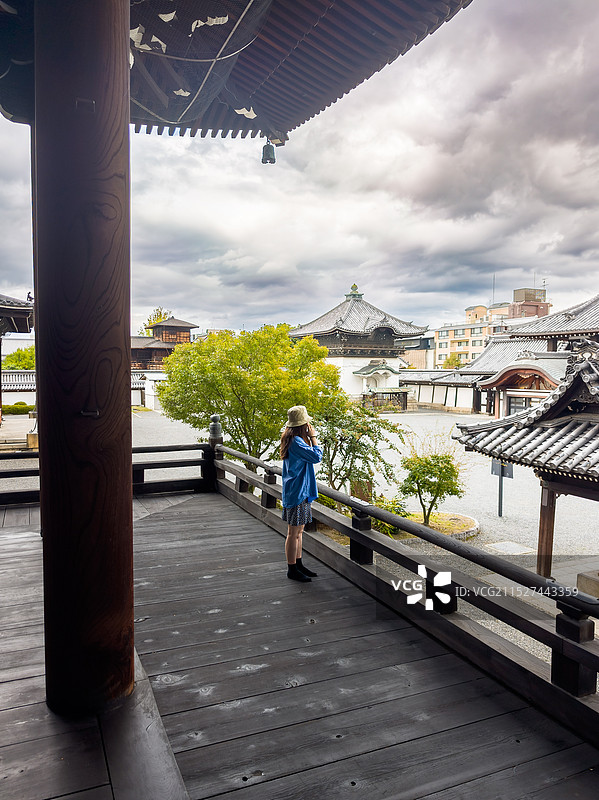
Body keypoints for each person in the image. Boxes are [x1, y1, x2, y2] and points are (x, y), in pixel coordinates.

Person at [280, 405, 323, 582]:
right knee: (293, 532)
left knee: (299, 531)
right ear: (302, 425)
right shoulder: (297, 441)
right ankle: (292, 568)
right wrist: (313, 437)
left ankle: (298, 564)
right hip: (298, 491)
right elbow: (317, 456)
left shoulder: (292, 438)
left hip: (300, 490)